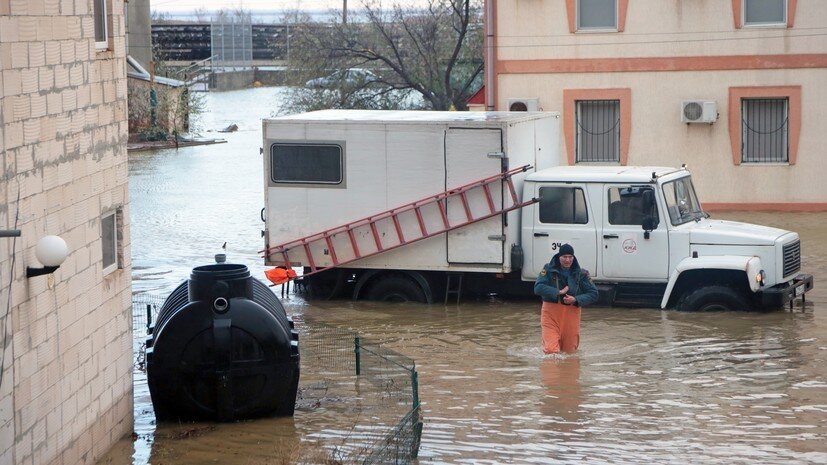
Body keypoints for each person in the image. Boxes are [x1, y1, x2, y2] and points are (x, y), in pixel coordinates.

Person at [533, 244, 598, 354]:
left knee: (570, 352)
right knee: (550, 350)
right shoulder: (548, 269)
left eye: (570, 257)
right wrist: (558, 292)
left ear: (573, 257)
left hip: (572, 314)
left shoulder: (582, 273)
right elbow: (538, 288)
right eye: (564, 257)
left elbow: (594, 293)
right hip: (551, 314)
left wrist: (576, 299)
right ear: (559, 257)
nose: (567, 260)